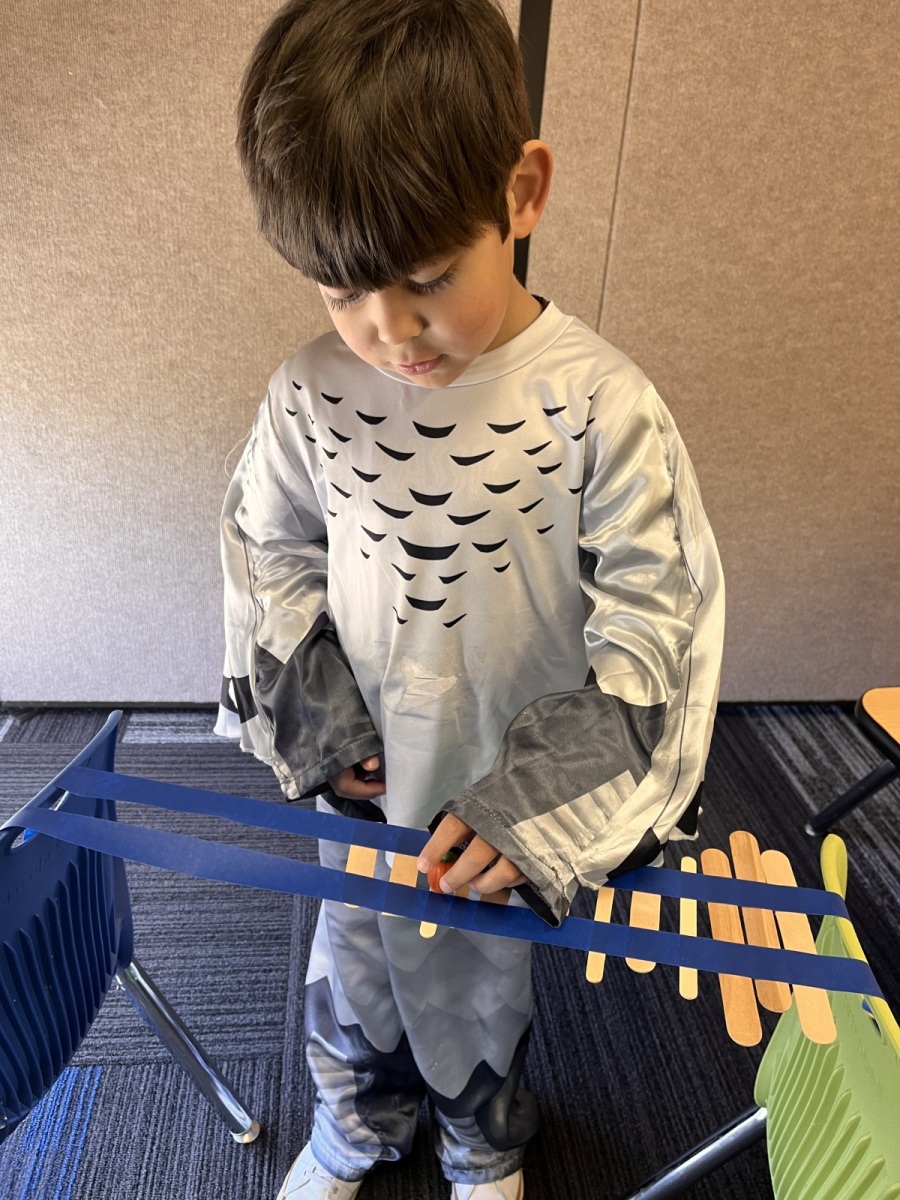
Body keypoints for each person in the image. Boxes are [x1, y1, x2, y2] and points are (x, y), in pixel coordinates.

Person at [215, 1, 725, 1196]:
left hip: (501, 772)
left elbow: (661, 626)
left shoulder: (604, 407)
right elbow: (264, 550)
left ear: (522, 193)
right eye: (344, 292)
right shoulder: (307, 394)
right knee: (352, 948)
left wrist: (537, 802)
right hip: (368, 769)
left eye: (428, 278)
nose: (390, 332)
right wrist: (320, 721)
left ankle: (483, 1144)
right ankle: (353, 1125)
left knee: (481, 975)